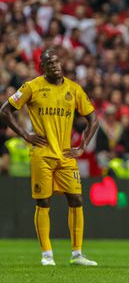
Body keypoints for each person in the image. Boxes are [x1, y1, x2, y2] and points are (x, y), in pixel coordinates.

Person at [0, 47, 99, 266]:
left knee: (76, 199)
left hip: (65, 154)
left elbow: (94, 119)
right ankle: (47, 255)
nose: (55, 65)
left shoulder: (74, 89)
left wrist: (82, 145)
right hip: (42, 154)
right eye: (49, 63)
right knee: (43, 202)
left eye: (57, 61)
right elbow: (5, 110)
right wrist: (26, 135)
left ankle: (77, 254)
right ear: (42, 67)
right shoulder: (32, 87)